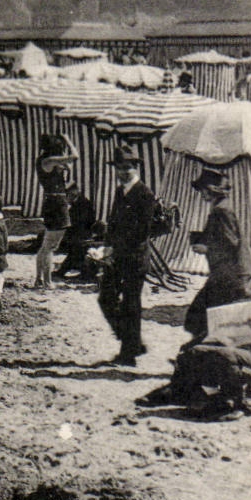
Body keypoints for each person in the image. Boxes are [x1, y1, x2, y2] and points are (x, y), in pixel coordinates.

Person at [99, 145, 158, 366]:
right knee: (106, 298)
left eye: (128, 168)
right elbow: (113, 222)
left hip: (135, 258)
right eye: (119, 168)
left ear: (136, 168)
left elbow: (142, 232)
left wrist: (117, 250)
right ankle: (132, 342)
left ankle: (129, 355)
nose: (123, 172)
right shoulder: (119, 190)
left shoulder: (144, 194)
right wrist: (106, 247)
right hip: (117, 257)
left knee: (131, 304)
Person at [183, 168, 249, 349]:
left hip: (229, 276)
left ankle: (198, 356)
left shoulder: (222, 210)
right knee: (203, 319)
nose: (201, 194)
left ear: (211, 190)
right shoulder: (220, 207)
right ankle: (198, 355)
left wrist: (206, 248)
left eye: (203, 190)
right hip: (225, 274)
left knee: (199, 318)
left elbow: (231, 243)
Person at [35, 132, 78, 288]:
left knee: (46, 244)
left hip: (51, 201)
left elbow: (69, 164)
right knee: (50, 246)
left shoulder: (46, 161)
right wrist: (68, 139)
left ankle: (40, 280)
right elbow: (75, 157)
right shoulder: (50, 160)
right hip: (57, 203)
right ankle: (47, 281)